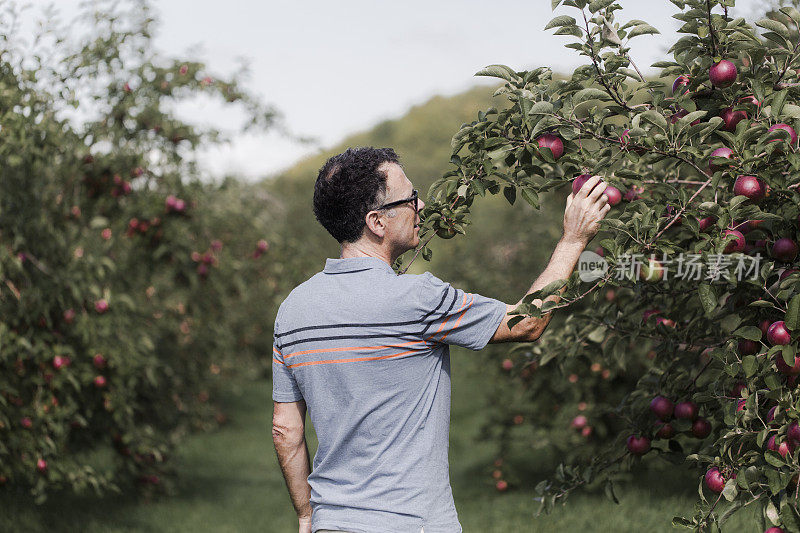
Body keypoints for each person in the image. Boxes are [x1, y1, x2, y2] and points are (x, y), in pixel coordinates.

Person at [272, 147, 610, 533]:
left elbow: (285, 430)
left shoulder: (293, 310)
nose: (422, 205)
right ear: (377, 222)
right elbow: (524, 324)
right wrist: (573, 239)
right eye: (410, 198)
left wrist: (305, 513)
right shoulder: (417, 299)